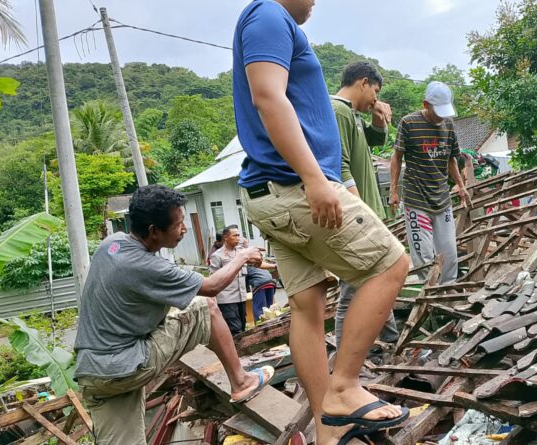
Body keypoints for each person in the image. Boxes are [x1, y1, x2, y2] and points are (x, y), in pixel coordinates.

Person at [232, 1, 411, 443]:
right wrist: (314, 178)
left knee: (306, 309)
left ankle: (327, 432)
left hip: (270, 193)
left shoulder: (266, 21)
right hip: (293, 186)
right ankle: (345, 386)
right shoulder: (270, 15)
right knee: (391, 265)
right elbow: (268, 96)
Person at [74, 185, 274, 445]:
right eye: (179, 224)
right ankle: (242, 382)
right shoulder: (148, 266)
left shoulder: (111, 245)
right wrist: (244, 256)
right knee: (206, 307)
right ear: (153, 231)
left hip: (94, 374)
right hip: (127, 364)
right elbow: (211, 287)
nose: (184, 229)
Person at [330, 61, 399, 347]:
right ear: (363, 82)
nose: (375, 98)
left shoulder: (352, 114)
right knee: (353, 284)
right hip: (357, 213)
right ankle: (345, 356)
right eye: (375, 91)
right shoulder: (337, 111)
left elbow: (369, 142)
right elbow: (340, 165)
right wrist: (360, 212)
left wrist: (379, 121)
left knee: (379, 276)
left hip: (366, 210)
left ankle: (390, 342)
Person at [389, 81, 470, 284]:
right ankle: (431, 295)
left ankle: (448, 291)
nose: (441, 117)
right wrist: (393, 191)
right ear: (426, 104)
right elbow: (397, 157)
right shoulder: (409, 123)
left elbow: (451, 158)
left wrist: (460, 185)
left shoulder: (449, 125)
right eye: (438, 111)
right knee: (424, 257)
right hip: (416, 200)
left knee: (449, 253)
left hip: (441, 199)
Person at [209, 225, 249, 335]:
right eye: (235, 235)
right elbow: (213, 278)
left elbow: (255, 263)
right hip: (227, 300)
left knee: (243, 327)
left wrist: (274, 266)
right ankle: (238, 352)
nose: (238, 238)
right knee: (236, 331)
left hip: (241, 298)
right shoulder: (217, 256)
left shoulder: (242, 252)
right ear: (226, 237)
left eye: (239, 235)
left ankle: (241, 351)